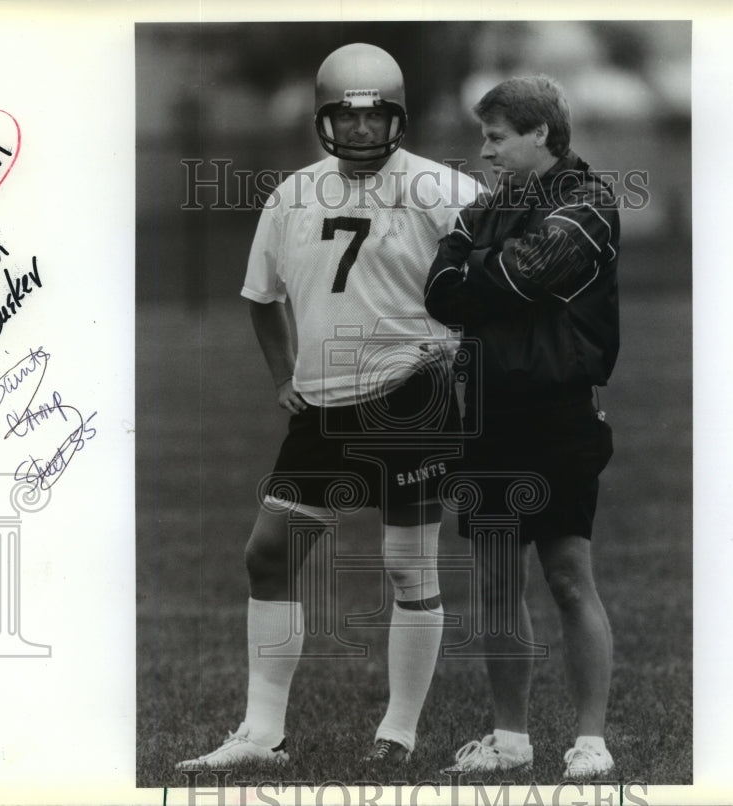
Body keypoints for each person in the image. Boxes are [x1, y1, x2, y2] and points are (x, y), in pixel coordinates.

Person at [176, 43, 482, 771]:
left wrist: (461, 352)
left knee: (409, 568)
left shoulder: (446, 191)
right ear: (324, 120)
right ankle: (262, 733)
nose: (361, 132)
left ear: (398, 120)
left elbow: (493, 287)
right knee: (270, 554)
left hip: (413, 396)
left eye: (375, 119)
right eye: (347, 119)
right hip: (321, 406)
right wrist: (285, 374)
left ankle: (398, 732)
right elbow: (260, 298)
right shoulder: (292, 195)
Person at [423, 75, 620, 780]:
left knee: (568, 577)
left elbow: (517, 276)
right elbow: (440, 292)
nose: (484, 151)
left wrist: (481, 274)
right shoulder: (486, 209)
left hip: (559, 411)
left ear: (540, 132)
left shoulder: (589, 202)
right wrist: (485, 274)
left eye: (496, 137)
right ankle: (510, 741)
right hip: (487, 412)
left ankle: (590, 745)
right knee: (498, 580)